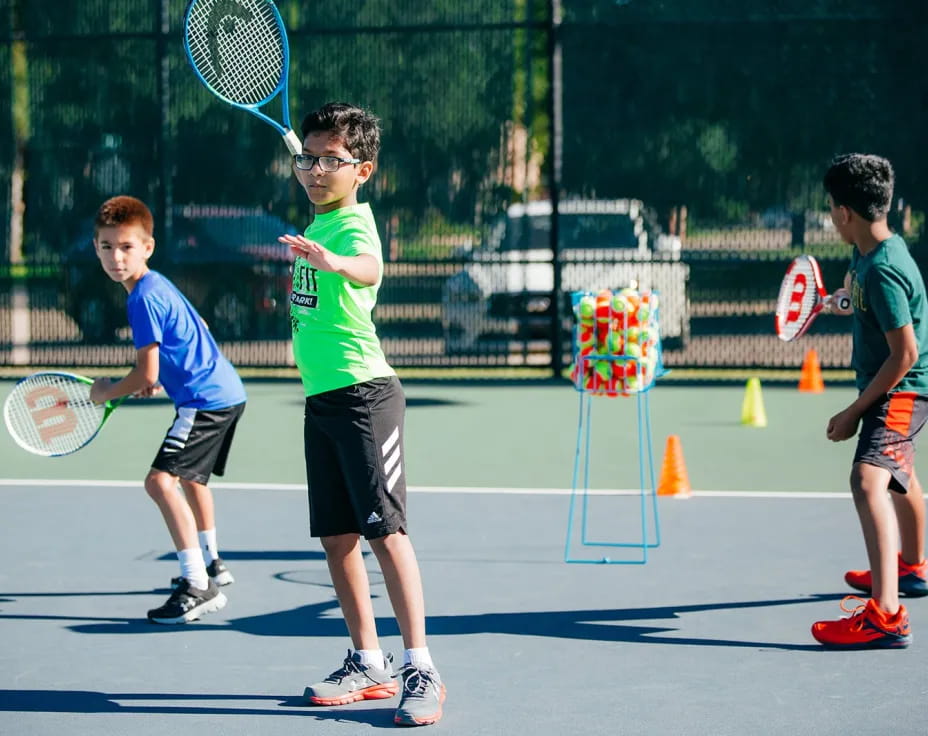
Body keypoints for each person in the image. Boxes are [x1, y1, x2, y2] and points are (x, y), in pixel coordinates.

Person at [278, 102, 446, 727]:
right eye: (308, 159)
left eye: (331, 161)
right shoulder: (315, 226)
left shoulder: (351, 227)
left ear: (363, 170)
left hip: (365, 398)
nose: (316, 171)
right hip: (322, 399)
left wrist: (336, 264)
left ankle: (420, 666)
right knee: (336, 536)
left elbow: (370, 266)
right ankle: (366, 661)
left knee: (386, 533)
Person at [88, 195, 247, 625]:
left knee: (160, 483)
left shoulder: (141, 299)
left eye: (126, 247)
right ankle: (213, 562)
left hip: (205, 401)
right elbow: (199, 328)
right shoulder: (157, 283)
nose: (116, 258)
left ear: (147, 247)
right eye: (107, 247)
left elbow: (144, 374)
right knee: (191, 480)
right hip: (227, 392)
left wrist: (109, 391)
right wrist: (157, 374)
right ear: (96, 247)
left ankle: (198, 584)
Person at [811, 153, 928, 649]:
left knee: (866, 481)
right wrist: (838, 301)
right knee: (901, 480)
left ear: (843, 213)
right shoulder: (870, 253)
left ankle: (886, 615)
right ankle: (914, 567)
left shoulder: (882, 269)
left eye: (830, 208)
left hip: (901, 389)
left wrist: (854, 412)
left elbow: (905, 353)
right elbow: (863, 295)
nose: (829, 215)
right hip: (897, 386)